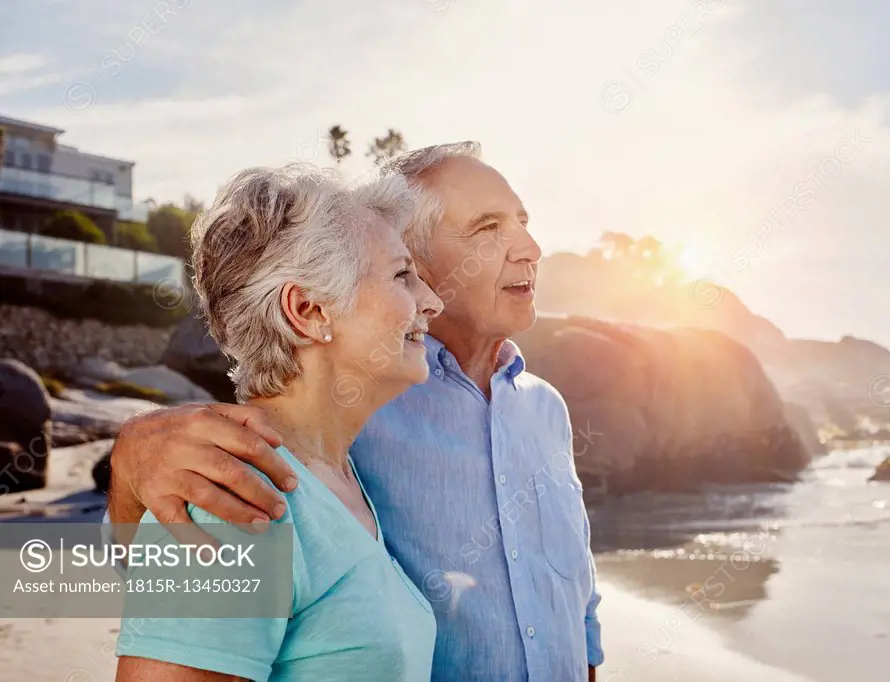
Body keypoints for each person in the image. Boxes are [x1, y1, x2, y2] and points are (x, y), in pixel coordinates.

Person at [107, 143, 604, 681]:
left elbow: (580, 610)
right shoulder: (257, 479)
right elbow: (177, 568)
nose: (530, 247)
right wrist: (131, 461)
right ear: (310, 311)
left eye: (523, 222)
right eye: (486, 227)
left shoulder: (542, 411)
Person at [114, 164, 442, 681]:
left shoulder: (339, 479)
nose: (432, 301)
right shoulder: (231, 500)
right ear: (309, 310)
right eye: (403, 275)